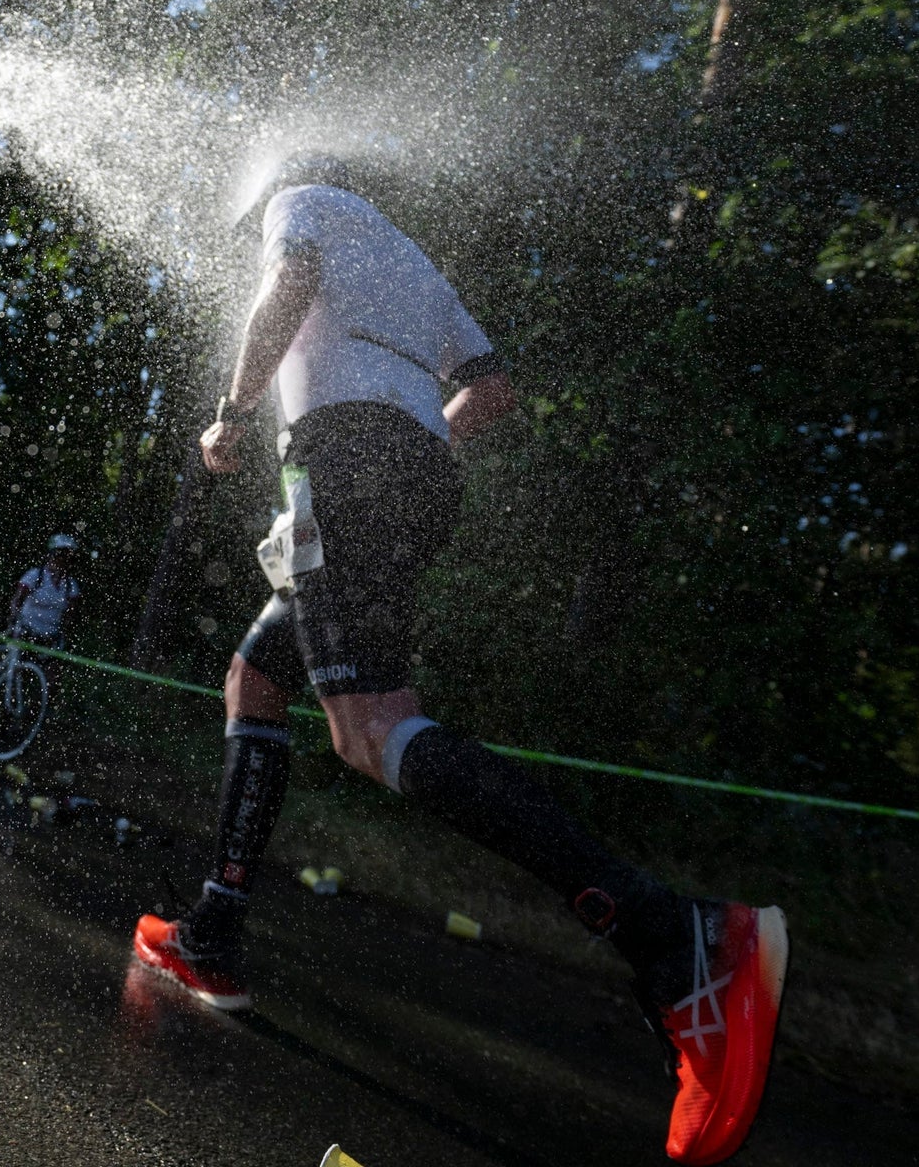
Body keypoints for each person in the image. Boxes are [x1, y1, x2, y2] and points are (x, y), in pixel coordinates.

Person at [128, 155, 788, 1167]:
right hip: (411, 473)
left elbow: (288, 281)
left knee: (370, 730)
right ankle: (212, 930)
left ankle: (678, 939)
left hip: (342, 458)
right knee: (256, 675)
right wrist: (401, 448)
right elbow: (493, 390)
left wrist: (235, 411)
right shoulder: (408, 256)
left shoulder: (302, 201)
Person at [7, 535, 83, 649]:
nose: (62, 559)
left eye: (67, 556)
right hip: (26, 631)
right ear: (51, 555)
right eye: (59, 555)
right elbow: (18, 599)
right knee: (15, 661)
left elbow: (70, 615)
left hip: (50, 636)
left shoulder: (71, 585)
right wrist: (13, 621)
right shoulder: (35, 575)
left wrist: (64, 635)